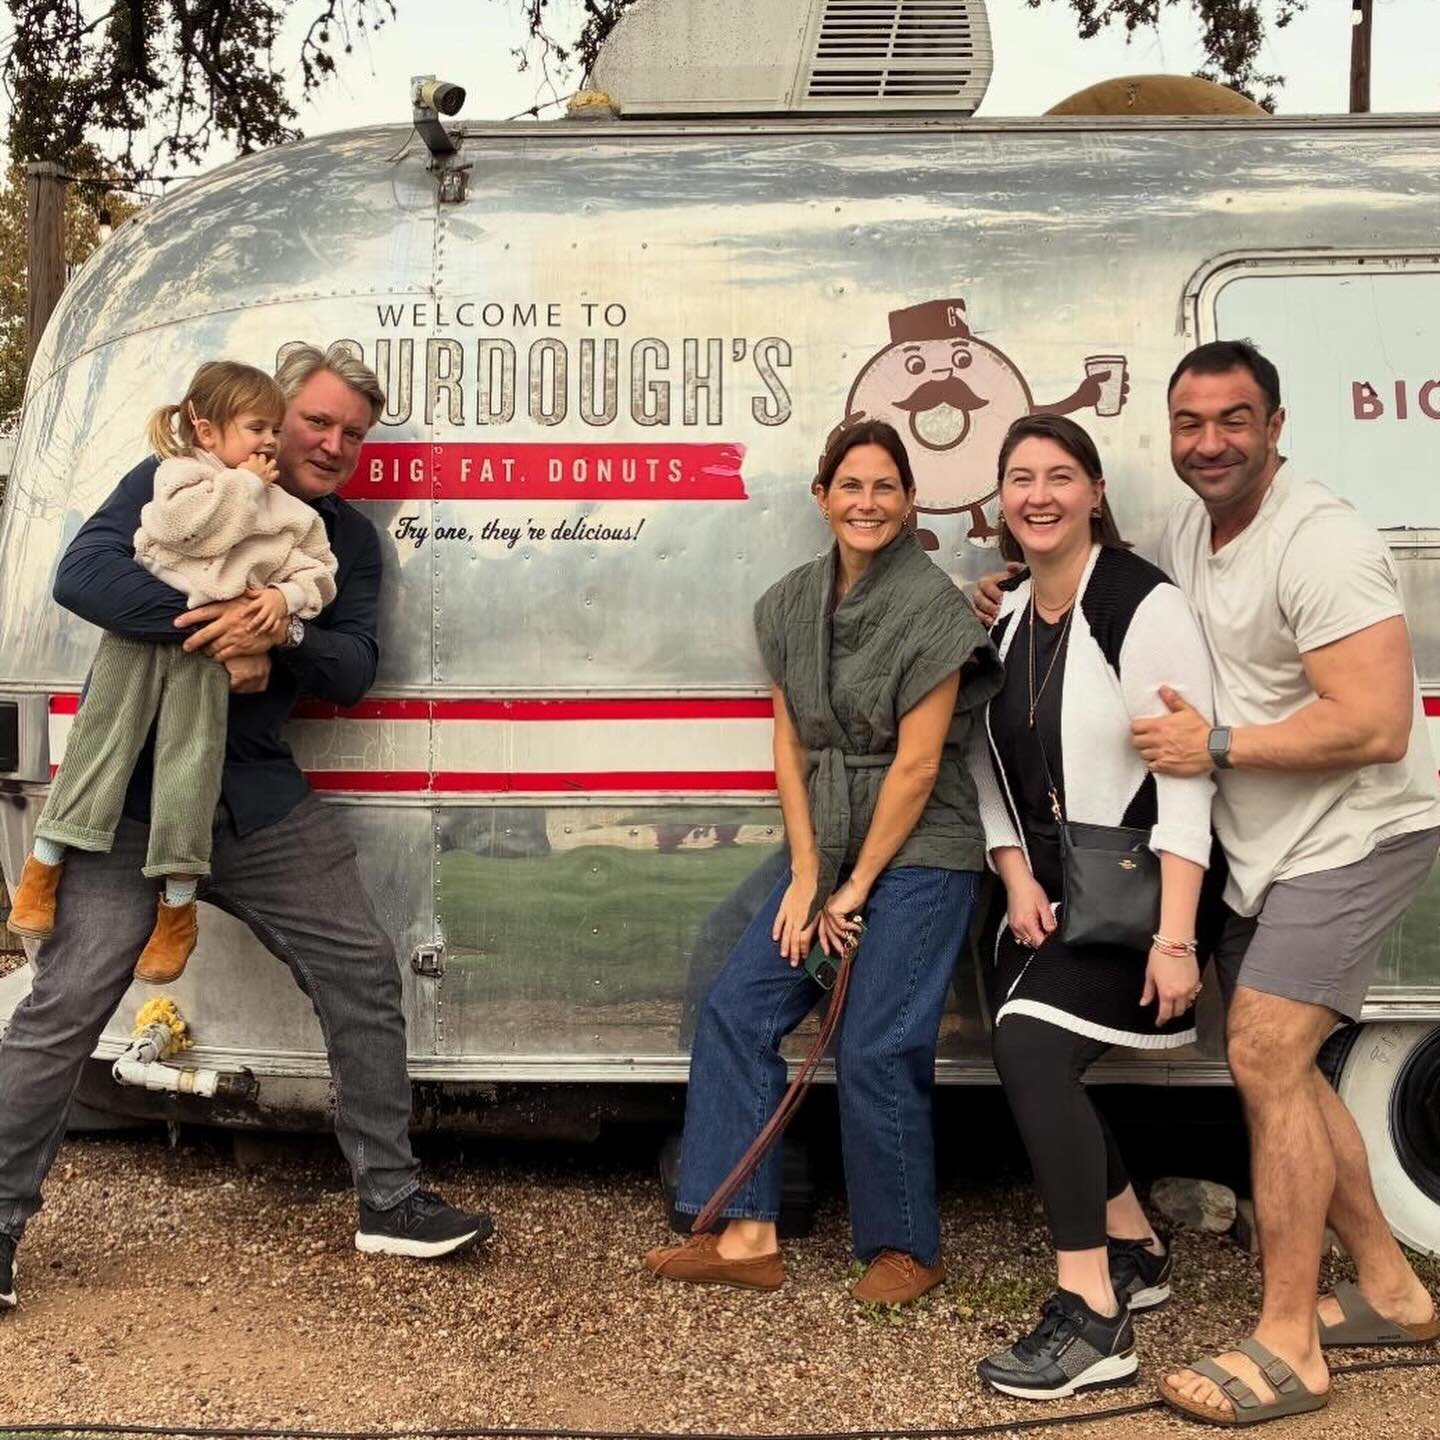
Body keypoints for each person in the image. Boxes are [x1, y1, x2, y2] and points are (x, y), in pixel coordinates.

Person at [975, 341, 1440, 1426]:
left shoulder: (1319, 541)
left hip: (1356, 829)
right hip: (1265, 838)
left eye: (1234, 420)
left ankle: (1288, 1344)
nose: (1209, 442)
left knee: (1267, 1053)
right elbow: (1106, 599)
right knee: (1290, 1071)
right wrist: (1014, 580)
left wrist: (1217, 747)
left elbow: (1378, 724)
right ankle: (1386, 1285)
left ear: (1277, 425)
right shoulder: (1191, 527)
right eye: (1189, 423)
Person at [0, 345, 492, 1319]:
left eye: (351, 433)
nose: (330, 443)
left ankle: (389, 1200)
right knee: (65, 1004)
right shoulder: (174, 477)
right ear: (267, 415)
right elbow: (84, 575)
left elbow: (353, 665)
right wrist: (214, 618)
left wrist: (285, 635)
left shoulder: (345, 542)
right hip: (136, 795)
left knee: (359, 967)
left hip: (254, 798)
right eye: (314, 420)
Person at [644, 419, 1001, 1305]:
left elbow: (919, 767)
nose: (867, 503)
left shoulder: (934, 610)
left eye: (886, 487)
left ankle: (905, 1247)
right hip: (830, 841)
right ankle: (748, 1234)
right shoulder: (791, 603)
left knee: (877, 1040)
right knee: (738, 1005)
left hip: (921, 848)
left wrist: (855, 888)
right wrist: (807, 875)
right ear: (822, 497)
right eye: (851, 486)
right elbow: (791, 745)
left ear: (911, 501)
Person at [966, 414, 1214, 1400]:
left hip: (1145, 896)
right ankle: (1137, 1247)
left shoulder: (1139, 603)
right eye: (1020, 477)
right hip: (1049, 894)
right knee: (1028, 1043)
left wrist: (1178, 939)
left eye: (1060, 475)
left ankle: (1093, 1314)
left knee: (1029, 1046)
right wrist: (1015, 874)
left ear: (1096, 491)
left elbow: (1188, 779)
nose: (1039, 494)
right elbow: (985, 762)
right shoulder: (1011, 613)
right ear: (1000, 500)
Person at [9, 361, 338, 986]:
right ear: (207, 431)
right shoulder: (181, 476)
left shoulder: (289, 511)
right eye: (254, 427)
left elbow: (317, 568)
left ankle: (177, 912)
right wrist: (241, 488)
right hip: (139, 643)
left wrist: (283, 603)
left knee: (191, 767)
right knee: (99, 745)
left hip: (203, 664)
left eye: (274, 428)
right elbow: (177, 530)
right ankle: (43, 867)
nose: (269, 441)